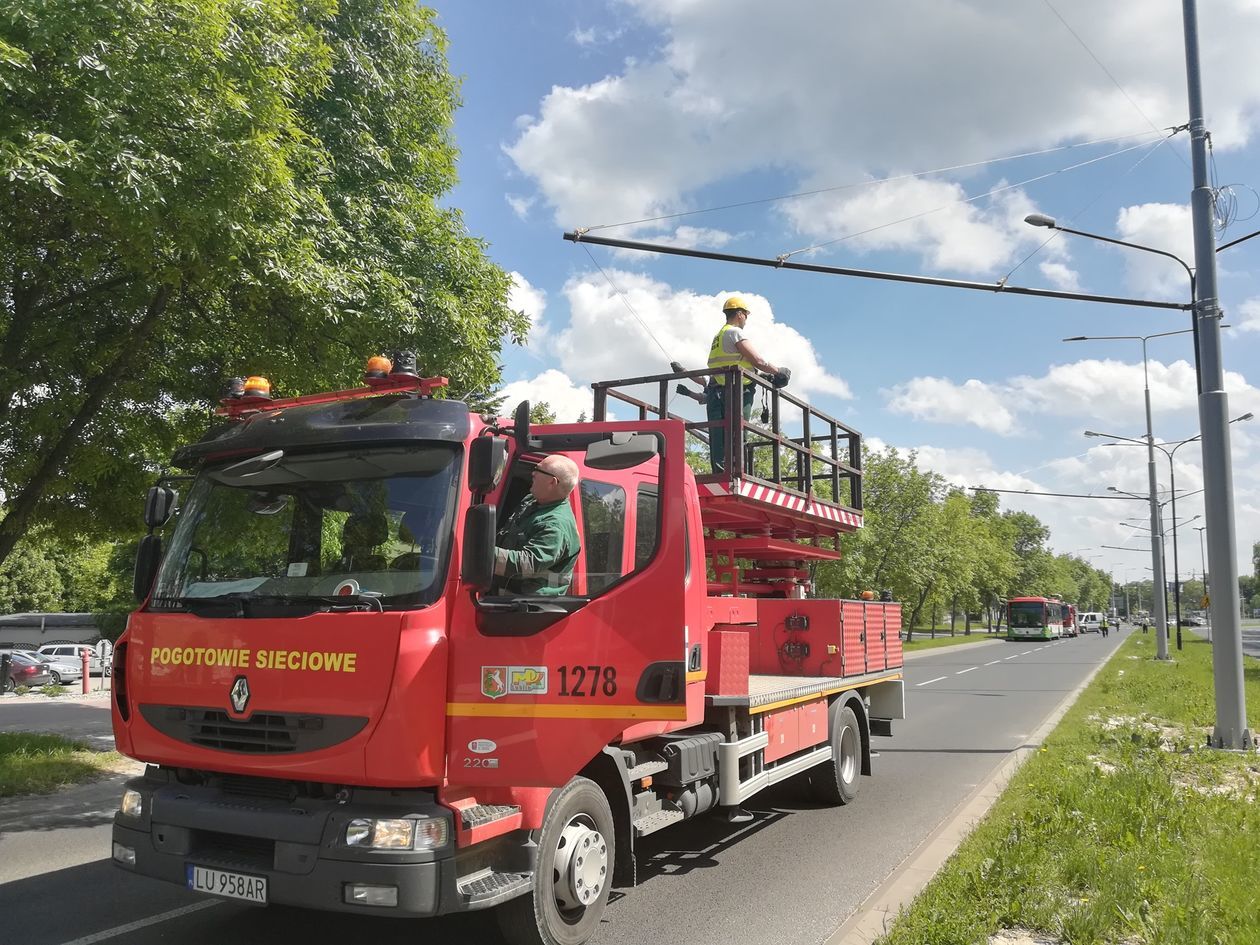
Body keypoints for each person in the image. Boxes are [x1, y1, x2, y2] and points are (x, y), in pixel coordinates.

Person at [705, 295, 780, 474]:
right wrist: (778, 372)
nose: (746, 319)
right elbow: (759, 360)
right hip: (737, 390)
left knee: (719, 434)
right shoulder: (734, 332)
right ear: (739, 314)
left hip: (718, 391)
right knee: (737, 432)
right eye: (746, 314)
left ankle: (721, 471)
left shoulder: (719, 335)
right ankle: (738, 471)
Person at [494, 454, 581, 596]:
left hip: (525, 610)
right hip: (505, 600)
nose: (533, 473)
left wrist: (480, 554)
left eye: (538, 470)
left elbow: (524, 564)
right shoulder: (531, 501)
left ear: (552, 482)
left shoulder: (556, 526)